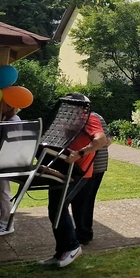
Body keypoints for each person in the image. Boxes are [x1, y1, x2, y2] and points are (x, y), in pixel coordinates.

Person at [39, 92, 110, 267]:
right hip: (61, 170)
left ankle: (72, 247)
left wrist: (79, 153)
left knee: (58, 208)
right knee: (54, 209)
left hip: (78, 172)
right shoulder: (68, 119)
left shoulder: (89, 117)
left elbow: (101, 140)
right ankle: (61, 252)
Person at [70, 109, 111, 245]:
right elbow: (109, 141)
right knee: (86, 201)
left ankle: (83, 234)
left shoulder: (87, 118)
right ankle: (83, 232)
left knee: (81, 201)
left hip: (91, 165)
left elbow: (103, 140)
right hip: (99, 164)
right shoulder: (98, 116)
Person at [0, 101, 21, 236]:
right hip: (1, 161)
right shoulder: (5, 120)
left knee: (3, 192)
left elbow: (11, 143)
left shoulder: (13, 121)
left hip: (5, 162)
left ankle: (7, 224)